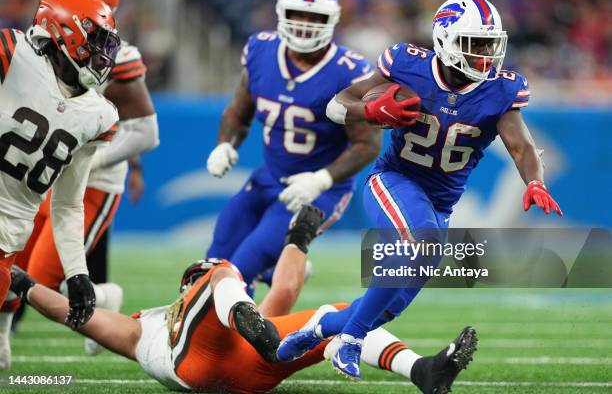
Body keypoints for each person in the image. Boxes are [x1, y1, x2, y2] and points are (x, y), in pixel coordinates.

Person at [277, 0, 563, 380]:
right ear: (446, 40)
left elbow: (521, 145)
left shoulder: (501, 89)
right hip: (394, 179)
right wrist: (370, 110)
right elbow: (337, 105)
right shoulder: (408, 65)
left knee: (390, 303)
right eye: (474, 43)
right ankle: (350, 340)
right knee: (419, 243)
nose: (485, 54)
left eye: (489, 44)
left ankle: (316, 329)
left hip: (439, 204)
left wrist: (535, 182)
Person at [9, 205, 477, 394]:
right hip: (212, 359)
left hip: (228, 363)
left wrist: (22, 284)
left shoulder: (136, 331)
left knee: (336, 318)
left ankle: (424, 371)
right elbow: (76, 315)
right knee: (224, 271)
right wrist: (300, 238)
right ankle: (243, 310)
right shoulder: (144, 326)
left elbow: (75, 317)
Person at [0, 0, 160, 360]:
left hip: (8, 235)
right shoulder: (12, 54)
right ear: (63, 32)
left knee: (40, 280)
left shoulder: (98, 114)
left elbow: (69, 204)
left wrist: (78, 272)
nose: (104, 55)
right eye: (96, 42)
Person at [205, 0, 381, 306]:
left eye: (314, 17)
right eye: (297, 14)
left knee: (240, 271)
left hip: (320, 192)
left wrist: (321, 179)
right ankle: (279, 268)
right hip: (268, 178)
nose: (304, 24)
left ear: (332, 20)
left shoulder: (349, 72)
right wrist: (225, 145)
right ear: (281, 15)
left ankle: (240, 346)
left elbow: (367, 144)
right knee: (212, 266)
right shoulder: (260, 51)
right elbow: (238, 112)